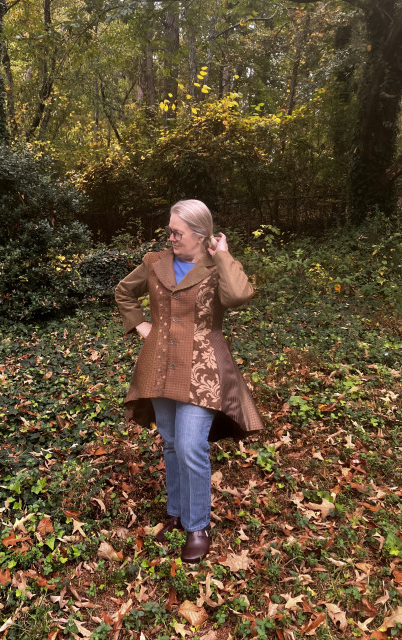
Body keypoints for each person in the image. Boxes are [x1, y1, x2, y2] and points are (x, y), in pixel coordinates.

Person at [115, 199, 263, 562]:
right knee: (169, 442)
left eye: (177, 232)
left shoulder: (216, 267)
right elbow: (123, 290)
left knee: (191, 444)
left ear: (200, 236)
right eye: (170, 230)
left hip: (204, 370)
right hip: (160, 365)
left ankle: (198, 525)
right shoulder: (155, 263)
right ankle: (177, 513)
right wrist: (141, 325)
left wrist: (224, 255)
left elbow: (240, 296)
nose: (171, 237)